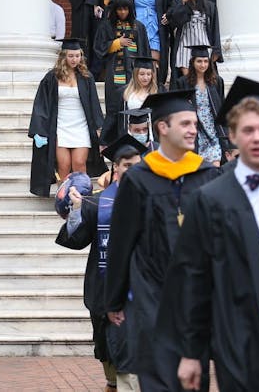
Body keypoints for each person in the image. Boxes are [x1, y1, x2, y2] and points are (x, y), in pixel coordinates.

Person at [159, 78, 259, 392]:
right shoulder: (210, 198)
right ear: (232, 136)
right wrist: (191, 353)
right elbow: (194, 278)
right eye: (248, 131)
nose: (257, 138)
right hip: (236, 330)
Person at [104, 91, 221, 391]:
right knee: (156, 376)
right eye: (185, 123)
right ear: (162, 127)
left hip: (195, 295)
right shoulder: (139, 178)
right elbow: (121, 241)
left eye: (195, 123)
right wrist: (115, 299)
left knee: (195, 380)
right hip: (151, 292)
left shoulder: (207, 176)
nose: (194, 129)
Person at [57, 135, 146, 392]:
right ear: (116, 167)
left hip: (138, 289)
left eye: (137, 165)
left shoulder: (151, 199)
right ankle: (112, 383)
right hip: (102, 286)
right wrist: (76, 211)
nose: (133, 170)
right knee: (106, 347)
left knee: (131, 352)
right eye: (127, 165)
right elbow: (76, 241)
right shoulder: (98, 202)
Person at [28, 39, 104, 195]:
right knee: (63, 165)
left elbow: (94, 104)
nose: (74, 59)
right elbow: (41, 104)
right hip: (60, 126)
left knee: (79, 162)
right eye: (71, 56)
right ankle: (64, 198)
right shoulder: (52, 77)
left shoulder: (86, 77)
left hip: (81, 125)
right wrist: (39, 130)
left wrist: (99, 127)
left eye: (77, 56)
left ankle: (82, 197)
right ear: (63, 56)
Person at [94, 0, 150, 145]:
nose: (123, 12)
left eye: (126, 9)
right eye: (119, 9)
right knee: (115, 110)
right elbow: (99, 48)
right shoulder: (106, 26)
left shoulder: (138, 27)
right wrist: (117, 43)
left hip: (135, 76)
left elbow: (144, 51)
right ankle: (114, 144)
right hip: (115, 75)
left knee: (136, 109)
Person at [121, 0, 177, 85]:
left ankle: (154, 90)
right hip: (135, 27)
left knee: (153, 63)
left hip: (155, 28)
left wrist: (168, 14)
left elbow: (175, 1)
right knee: (136, 62)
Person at [171, 46, 226, 167]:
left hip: (213, 131)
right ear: (193, 62)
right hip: (195, 131)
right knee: (197, 168)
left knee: (215, 167)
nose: (203, 65)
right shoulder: (183, 82)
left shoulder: (216, 81)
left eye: (206, 61)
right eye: (199, 61)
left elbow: (222, 106)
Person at [168, 0, 222, 75]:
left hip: (204, 45)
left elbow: (215, 29)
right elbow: (173, 21)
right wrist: (183, 1)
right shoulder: (180, 2)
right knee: (187, 79)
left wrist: (216, 51)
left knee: (203, 76)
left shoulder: (210, 6)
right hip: (185, 44)